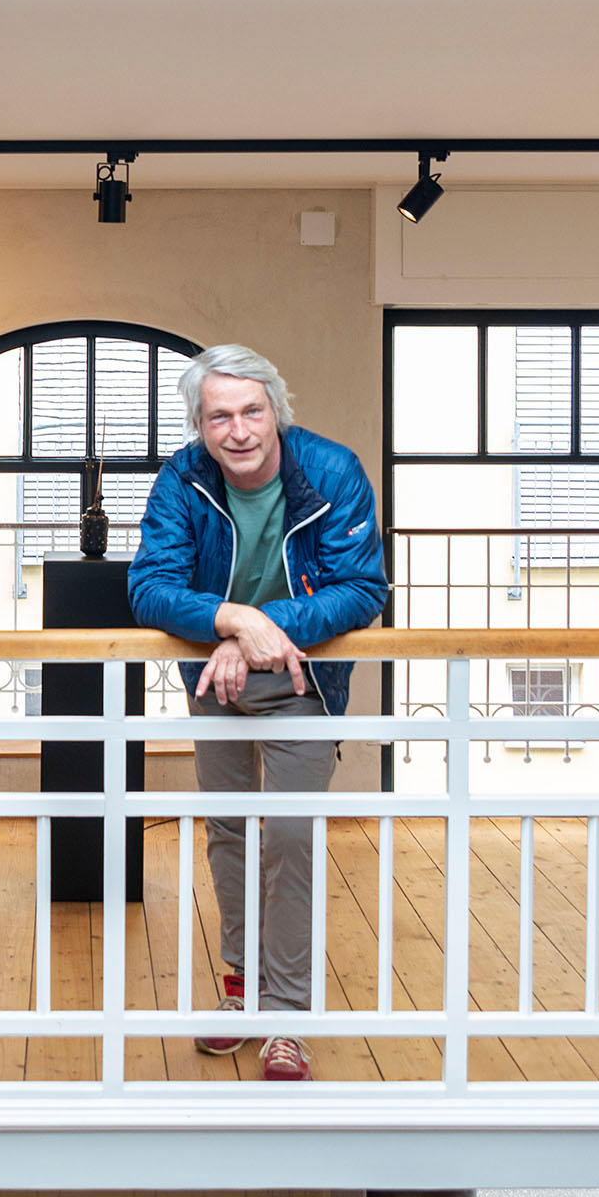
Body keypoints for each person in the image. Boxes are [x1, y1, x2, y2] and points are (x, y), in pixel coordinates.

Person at [127, 344, 386, 1082]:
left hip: (303, 679)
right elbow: (150, 586)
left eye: (251, 411)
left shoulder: (332, 470)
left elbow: (363, 587)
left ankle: (287, 1016)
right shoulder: (182, 479)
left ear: (276, 409)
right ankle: (241, 988)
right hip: (218, 677)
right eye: (219, 416)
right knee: (230, 833)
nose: (238, 430)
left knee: (292, 838)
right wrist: (236, 620)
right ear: (199, 424)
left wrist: (266, 627)